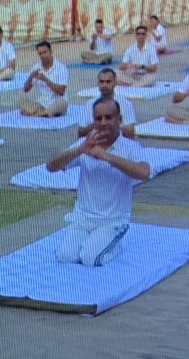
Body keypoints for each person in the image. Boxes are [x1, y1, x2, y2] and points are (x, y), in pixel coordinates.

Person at [46, 97, 151, 266]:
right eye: (98, 118)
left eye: (108, 117)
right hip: (82, 218)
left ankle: (115, 242)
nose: (103, 123)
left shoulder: (131, 147)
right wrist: (80, 150)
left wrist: (106, 156)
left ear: (119, 120)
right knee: (65, 257)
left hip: (112, 221)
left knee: (90, 259)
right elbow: (51, 166)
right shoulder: (86, 144)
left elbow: (144, 173)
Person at [75, 68, 139, 139]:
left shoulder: (126, 104)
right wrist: (96, 125)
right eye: (101, 82)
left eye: (108, 82)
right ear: (98, 83)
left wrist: (112, 126)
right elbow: (80, 133)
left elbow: (130, 134)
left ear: (115, 83)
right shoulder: (90, 103)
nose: (104, 85)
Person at [18, 40, 71, 117]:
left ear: (51, 52)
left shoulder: (61, 68)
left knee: (63, 103)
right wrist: (30, 77)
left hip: (56, 103)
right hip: (41, 103)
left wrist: (46, 80)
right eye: (40, 54)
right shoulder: (36, 67)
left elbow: (61, 91)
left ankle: (37, 114)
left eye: (45, 52)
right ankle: (42, 113)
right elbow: (26, 89)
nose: (43, 55)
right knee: (21, 101)